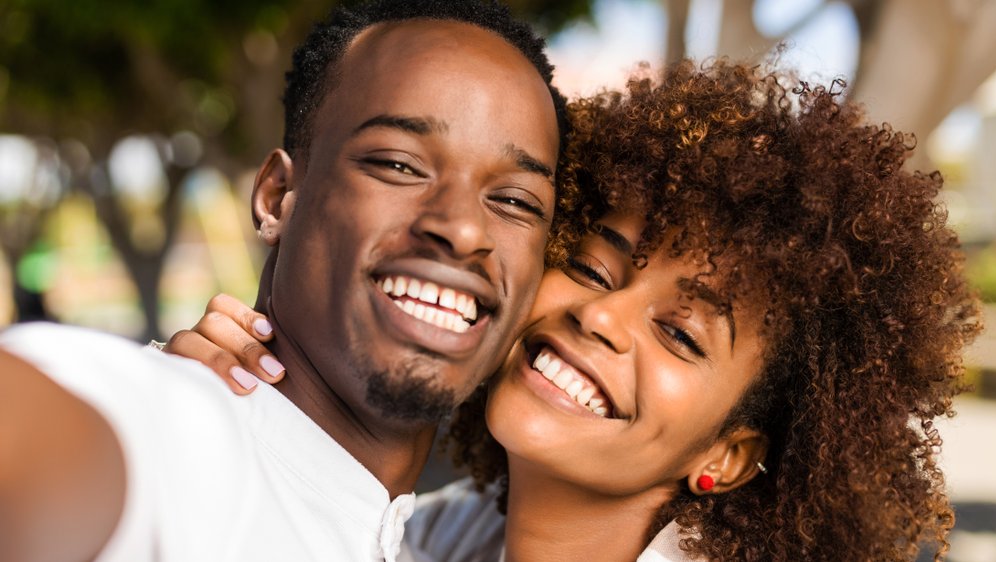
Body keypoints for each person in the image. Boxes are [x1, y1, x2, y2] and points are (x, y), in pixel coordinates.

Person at [176, 60, 982, 561]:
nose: (601, 318)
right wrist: (224, 425)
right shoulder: (441, 535)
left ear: (729, 455)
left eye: (679, 334)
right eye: (593, 269)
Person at [0, 1, 570, 561]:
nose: (465, 228)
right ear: (276, 199)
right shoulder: (175, 435)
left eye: (516, 200)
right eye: (398, 164)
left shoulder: (442, 540)